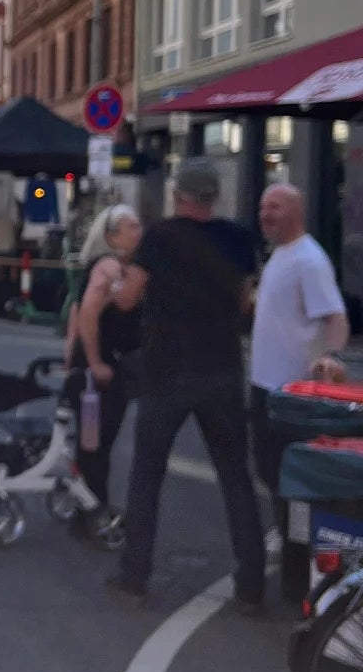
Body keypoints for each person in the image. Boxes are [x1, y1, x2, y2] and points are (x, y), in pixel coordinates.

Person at [108, 160, 266, 611]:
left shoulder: (159, 238)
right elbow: (245, 301)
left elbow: (128, 297)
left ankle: (134, 575)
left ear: (179, 194)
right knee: (236, 478)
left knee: (147, 475)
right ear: (215, 196)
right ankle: (251, 586)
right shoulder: (237, 238)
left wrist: (119, 276)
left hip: (168, 371)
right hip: (221, 370)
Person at [249, 183, 349, 493]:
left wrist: (332, 355)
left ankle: (291, 537)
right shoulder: (281, 255)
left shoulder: (309, 260)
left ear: (296, 212)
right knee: (267, 464)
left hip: (293, 388)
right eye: (263, 207)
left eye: (275, 207)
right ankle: (283, 529)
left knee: (286, 469)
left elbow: (335, 315)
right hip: (264, 383)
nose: (265, 214)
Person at [62, 204, 143, 528]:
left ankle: (88, 507)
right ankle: (92, 513)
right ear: (112, 236)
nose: (139, 233)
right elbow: (87, 314)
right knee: (96, 444)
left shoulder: (107, 266)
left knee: (93, 443)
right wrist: (94, 362)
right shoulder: (109, 267)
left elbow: (75, 314)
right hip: (100, 374)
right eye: (132, 227)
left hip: (94, 370)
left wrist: (73, 359)